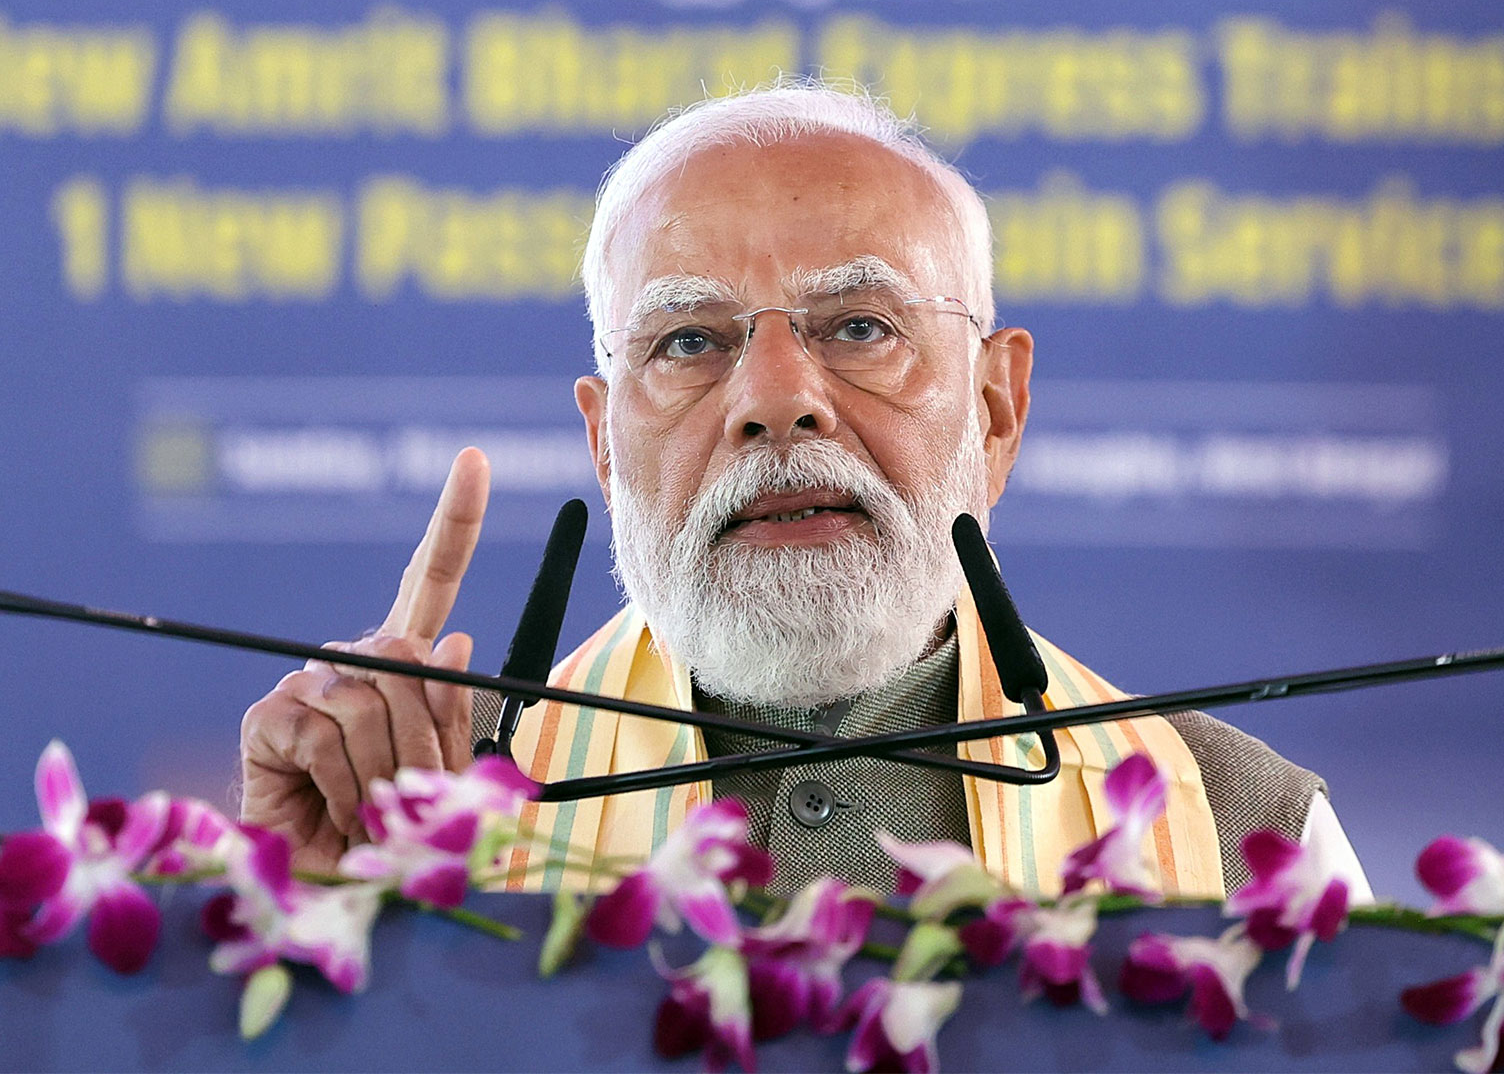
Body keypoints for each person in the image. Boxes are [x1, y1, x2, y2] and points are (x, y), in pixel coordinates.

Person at [239, 82, 1370, 901]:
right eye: (688, 340)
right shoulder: (418, 792)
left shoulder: (1237, 834)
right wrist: (303, 931)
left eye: (861, 328)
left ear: (995, 407)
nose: (776, 401)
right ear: (602, 443)